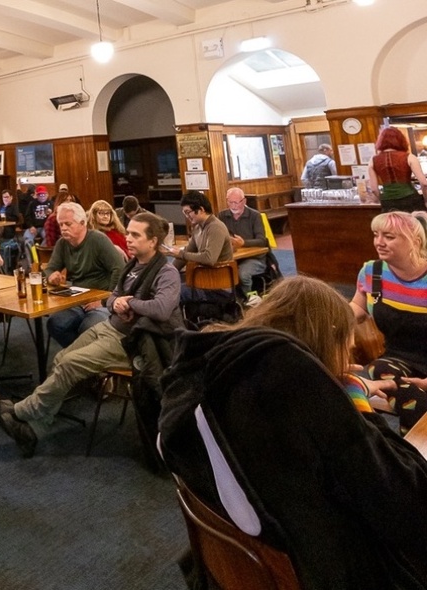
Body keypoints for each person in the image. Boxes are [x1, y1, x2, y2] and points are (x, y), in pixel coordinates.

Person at [159, 276, 427, 589]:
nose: (347, 363)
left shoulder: (221, 371)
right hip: (329, 570)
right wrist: (354, 399)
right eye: (348, 351)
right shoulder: (301, 385)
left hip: (250, 560)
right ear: (329, 341)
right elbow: (411, 504)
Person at [0, 212, 183, 457]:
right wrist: (116, 303)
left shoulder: (167, 272)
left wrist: (129, 302)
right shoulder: (132, 266)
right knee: (60, 359)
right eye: (128, 233)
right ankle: (35, 429)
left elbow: (163, 309)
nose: (128, 239)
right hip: (110, 328)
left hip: (134, 341)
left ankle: (21, 412)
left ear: (153, 241)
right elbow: (112, 297)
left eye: (135, 235)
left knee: (68, 364)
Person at [350, 210, 427, 434]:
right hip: (399, 359)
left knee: (406, 403)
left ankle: (414, 445)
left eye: (389, 237)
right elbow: (357, 308)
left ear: (415, 240)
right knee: (379, 367)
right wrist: (330, 318)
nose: (379, 242)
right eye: (376, 235)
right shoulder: (372, 272)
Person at [44, 202, 125, 348]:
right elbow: (49, 269)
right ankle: (79, 357)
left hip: (101, 299)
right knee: (55, 323)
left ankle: (81, 359)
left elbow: (119, 269)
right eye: (61, 224)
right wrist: (51, 276)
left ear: (82, 223)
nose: (63, 228)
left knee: (88, 327)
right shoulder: (63, 244)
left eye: (68, 224)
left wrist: (106, 300)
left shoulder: (98, 240)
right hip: (77, 299)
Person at [166, 191, 233, 304]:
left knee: (171, 293)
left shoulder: (215, 227)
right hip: (204, 280)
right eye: (184, 213)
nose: (187, 216)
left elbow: (209, 258)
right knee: (166, 286)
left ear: (201, 209)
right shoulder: (198, 227)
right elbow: (187, 253)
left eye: (188, 212)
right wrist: (168, 271)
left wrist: (180, 254)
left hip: (218, 287)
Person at [217, 187, 268, 306]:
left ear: (244, 201)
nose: (233, 206)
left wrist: (244, 243)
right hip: (233, 256)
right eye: (230, 202)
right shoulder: (222, 216)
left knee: (242, 274)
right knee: (219, 271)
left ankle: (250, 301)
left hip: (255, 258)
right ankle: (229, 302)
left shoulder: (255, 216)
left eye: (236, 202)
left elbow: (262, 241)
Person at [367, 127, 427, 212]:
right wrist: (425, 200)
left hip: (388, 201)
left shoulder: (373, 160)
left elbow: (373, 189)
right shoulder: (409, 157)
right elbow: (424, 183)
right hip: (410, 199)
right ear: (401, 140)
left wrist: (383, 200)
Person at [0, 189, 21, 273]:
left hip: (9, 229)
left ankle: (5, 266)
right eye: (4, 197)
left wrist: (4, 216)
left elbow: (16, 219)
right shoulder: (0, 207)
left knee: (4, 231)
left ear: (11, 197)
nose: (5, 199)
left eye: (7, 197)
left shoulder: (14, 207)